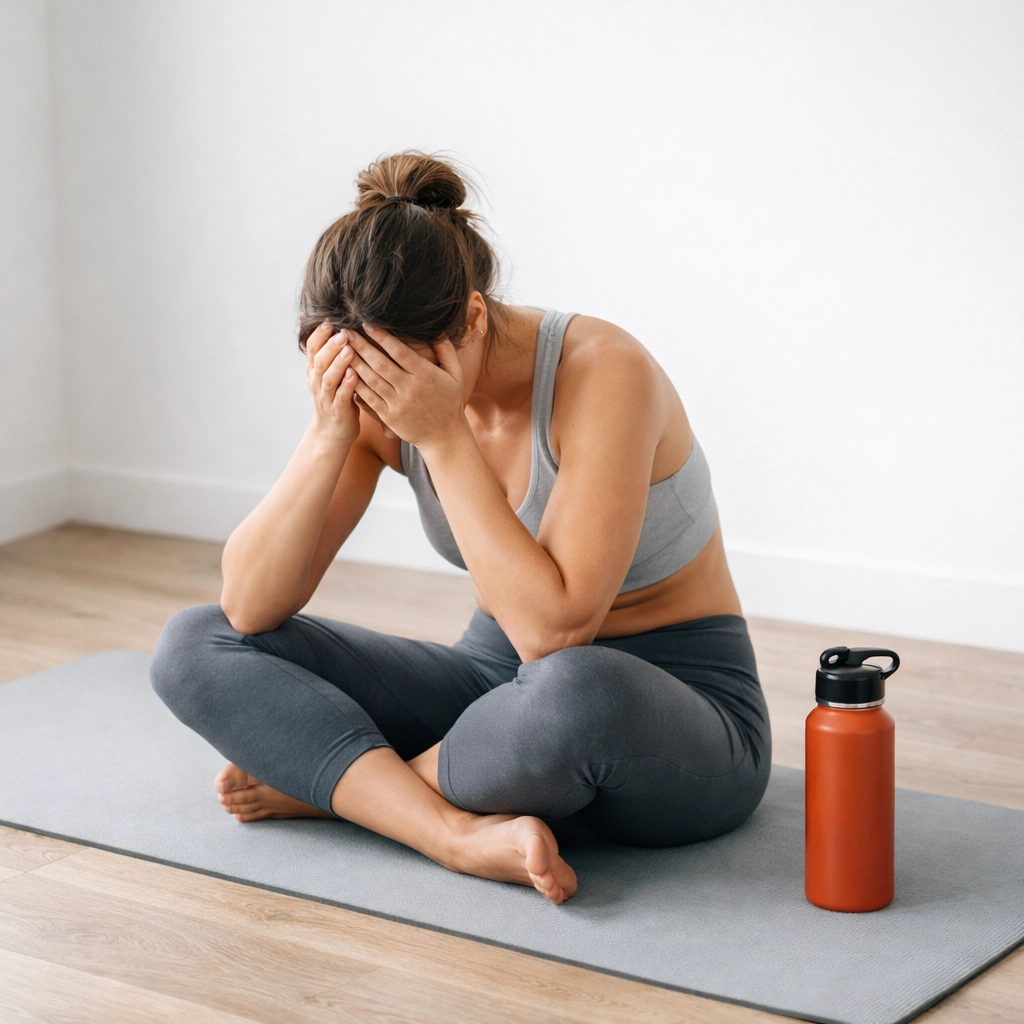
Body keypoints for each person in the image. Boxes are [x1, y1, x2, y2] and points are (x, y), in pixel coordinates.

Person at [150, 152, 771, 905]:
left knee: (576, 691)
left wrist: (444, 438)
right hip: (494, 686)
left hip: (670, 704)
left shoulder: (605, 372)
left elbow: (555, 635)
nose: (384, 395)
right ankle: (449, 831)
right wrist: (326, 435)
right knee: (196, 642)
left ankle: (339, 792)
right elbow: (250, 607)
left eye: (396, 372)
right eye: (359, 371)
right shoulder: (378, 398)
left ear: (472, 319)